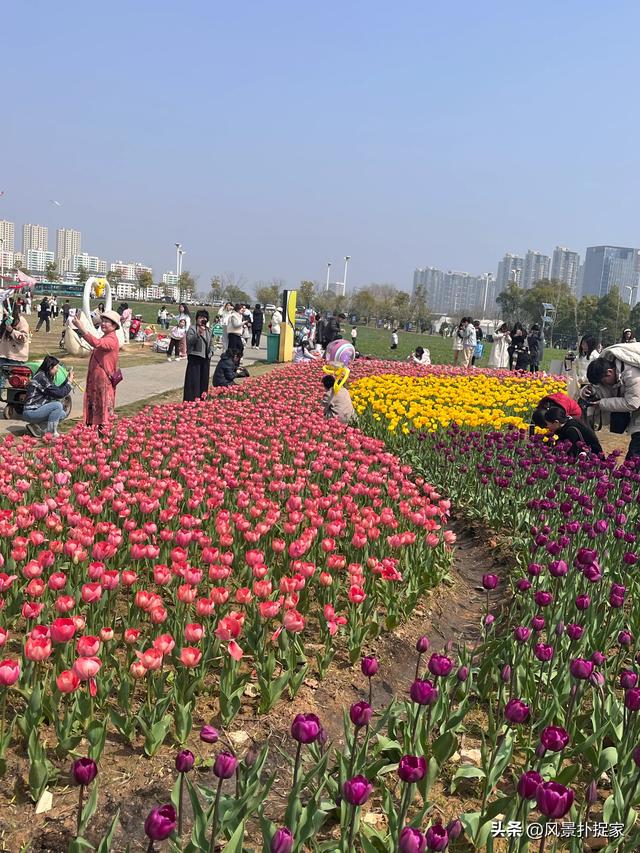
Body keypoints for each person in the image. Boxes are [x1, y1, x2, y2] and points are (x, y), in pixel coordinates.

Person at [587, 348, 640, 459]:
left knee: (635, 454)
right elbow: (602, 389)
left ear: (609, 372)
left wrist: (603, 403)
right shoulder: (611, 369)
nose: (603, 385)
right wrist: (587, 392)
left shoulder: (631, 374)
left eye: (603, 382)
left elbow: (632, 403)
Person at [73, 309, 121, 431]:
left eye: (107, 322)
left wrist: (82, 329)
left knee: (102, 404)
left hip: (103, 380)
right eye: (103, 321)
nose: (103, 324)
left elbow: (97, 343)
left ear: (115, 326)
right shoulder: (107, 336)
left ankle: (102, 432)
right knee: (95, 403)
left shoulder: (111, 339)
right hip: (96, 379)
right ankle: (93, 428)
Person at [22, 356, 74, 439]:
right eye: (56, 367)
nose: (57, 370)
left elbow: (56, 390)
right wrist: (70, 382)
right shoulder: (42, 378)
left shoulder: (43, 375)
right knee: (57, 405)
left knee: (62, 414)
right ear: (50, 367)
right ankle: (51, 433)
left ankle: (37, 427)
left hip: (37, 410)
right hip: (31, 412)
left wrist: (66, 382)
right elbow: (59, 394)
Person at [534, 404, 603, 457]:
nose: (547, 427)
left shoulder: (571, 430)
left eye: (547, 424)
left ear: (556, 422)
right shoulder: (568, 421)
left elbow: (572, 452)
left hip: (593, 457)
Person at [183, 309, 213, 401]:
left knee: (203, 380)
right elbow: (190, 342)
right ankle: (191, 399)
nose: (202, 319)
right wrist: (198, 333)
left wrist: (211, 352)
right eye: (200, 317)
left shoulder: (208, 330)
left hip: (205, 358)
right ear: (197, 319)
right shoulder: (192, 328)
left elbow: (211, 343)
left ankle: (202, 398)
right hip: (195, 357)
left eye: (204, 318)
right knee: (193, 381)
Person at [0, 301, 30, 387]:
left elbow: (24, 338)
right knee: (1, 380)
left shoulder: (21, 321)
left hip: (16, 358)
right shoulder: (3, 320)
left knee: (17, 383)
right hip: (3, 355)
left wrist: (12, 331)